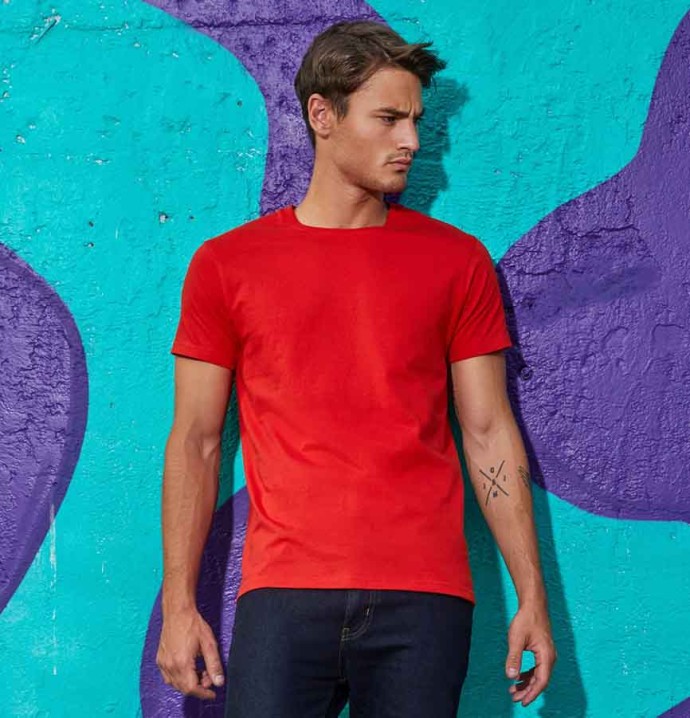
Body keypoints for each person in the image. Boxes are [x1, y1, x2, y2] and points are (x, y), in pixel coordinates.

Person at [155, 19, 556, 717]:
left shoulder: (456, 261)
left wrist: (532, 596)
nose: (412, 141)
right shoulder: (227, 265)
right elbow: (196, 440)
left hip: (424, 601)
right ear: (323, 115)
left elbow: (489, 432)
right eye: (389, 118)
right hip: (284, 593)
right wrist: (180, 606)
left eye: (416, 121)